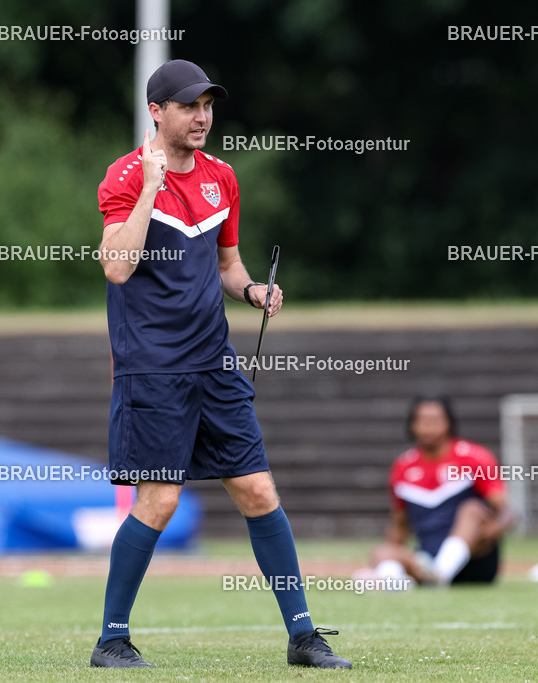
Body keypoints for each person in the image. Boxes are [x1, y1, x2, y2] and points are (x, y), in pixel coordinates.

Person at [90, 59, 350, 669]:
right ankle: (111, 640)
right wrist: (150, 187)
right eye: (188, 106)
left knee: (258, 490)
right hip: (153, 368)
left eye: (207, 106)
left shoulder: (223, 177)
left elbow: (228, 265)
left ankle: (303, 636)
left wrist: (254, 290)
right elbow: (116, 266)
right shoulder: (125, 176)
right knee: (159, 502)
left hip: (215, 362)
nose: (201, 116)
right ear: (157, 112)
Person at [365, 395, 515, 587]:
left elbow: (506, 511)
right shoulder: (403, 467)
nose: (428, 427)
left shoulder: (474, 457)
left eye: (435, 421)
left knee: (472, 509)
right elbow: (400, 525)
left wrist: (494, 529)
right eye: (422, 421)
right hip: (427, 559)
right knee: (381, 552)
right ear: (412, 425)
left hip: (475, 561)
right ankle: (395, 581)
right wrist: (392, 557)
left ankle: (441, 573)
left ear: (449, 423)